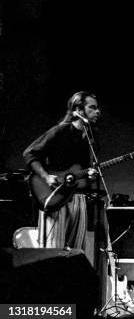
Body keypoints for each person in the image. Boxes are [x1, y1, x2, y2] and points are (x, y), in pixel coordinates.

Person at [23, 91, 101, 249]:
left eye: (97, 108)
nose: (98, 111)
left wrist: (90, 176)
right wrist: (46, 177)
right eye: (92, 107)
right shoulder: (59, 131)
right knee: (54, 252)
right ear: (79, 110)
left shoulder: (90, 137)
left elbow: (83, 171)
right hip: (56, 195)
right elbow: (29, 153)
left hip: (78, 198)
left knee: (77, 253)